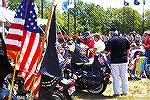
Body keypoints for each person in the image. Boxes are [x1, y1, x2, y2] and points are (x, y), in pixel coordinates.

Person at [104, 27, 130, 97]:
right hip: (124, 60)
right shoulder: (125, 39)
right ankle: (125, 92)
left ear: (111, 33)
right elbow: (128, 50)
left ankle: (117, 93)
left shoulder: (111, 40)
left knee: (116, 78)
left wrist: (101, 51)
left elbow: (106, 51)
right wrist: (127, 58)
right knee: (124, 77)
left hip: (115, 61)